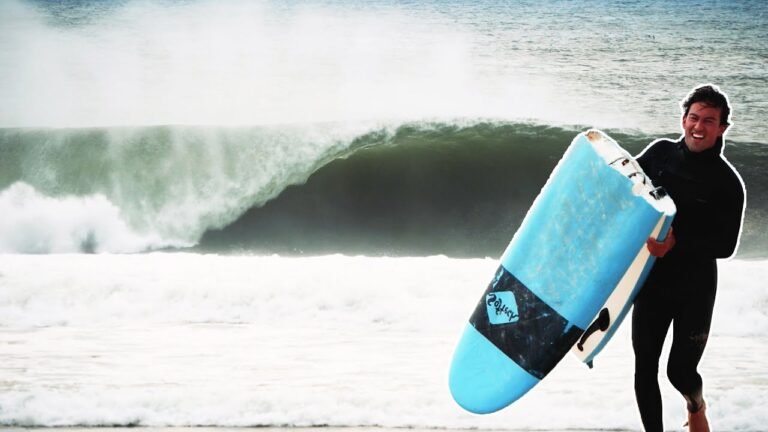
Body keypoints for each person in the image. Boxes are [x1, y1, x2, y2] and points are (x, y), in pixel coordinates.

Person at [632, 84, 746, 432]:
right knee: (644, 368)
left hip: (694, 288)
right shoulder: (659, 153)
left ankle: (696, 405)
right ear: (683, 119)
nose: (698, 127)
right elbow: (628, 191)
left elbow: (726, 246)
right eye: (693, 118)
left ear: (722, 127)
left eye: (709, 121)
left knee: (679, 371)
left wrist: (676, 244)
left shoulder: (728, 183)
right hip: (651, 279)